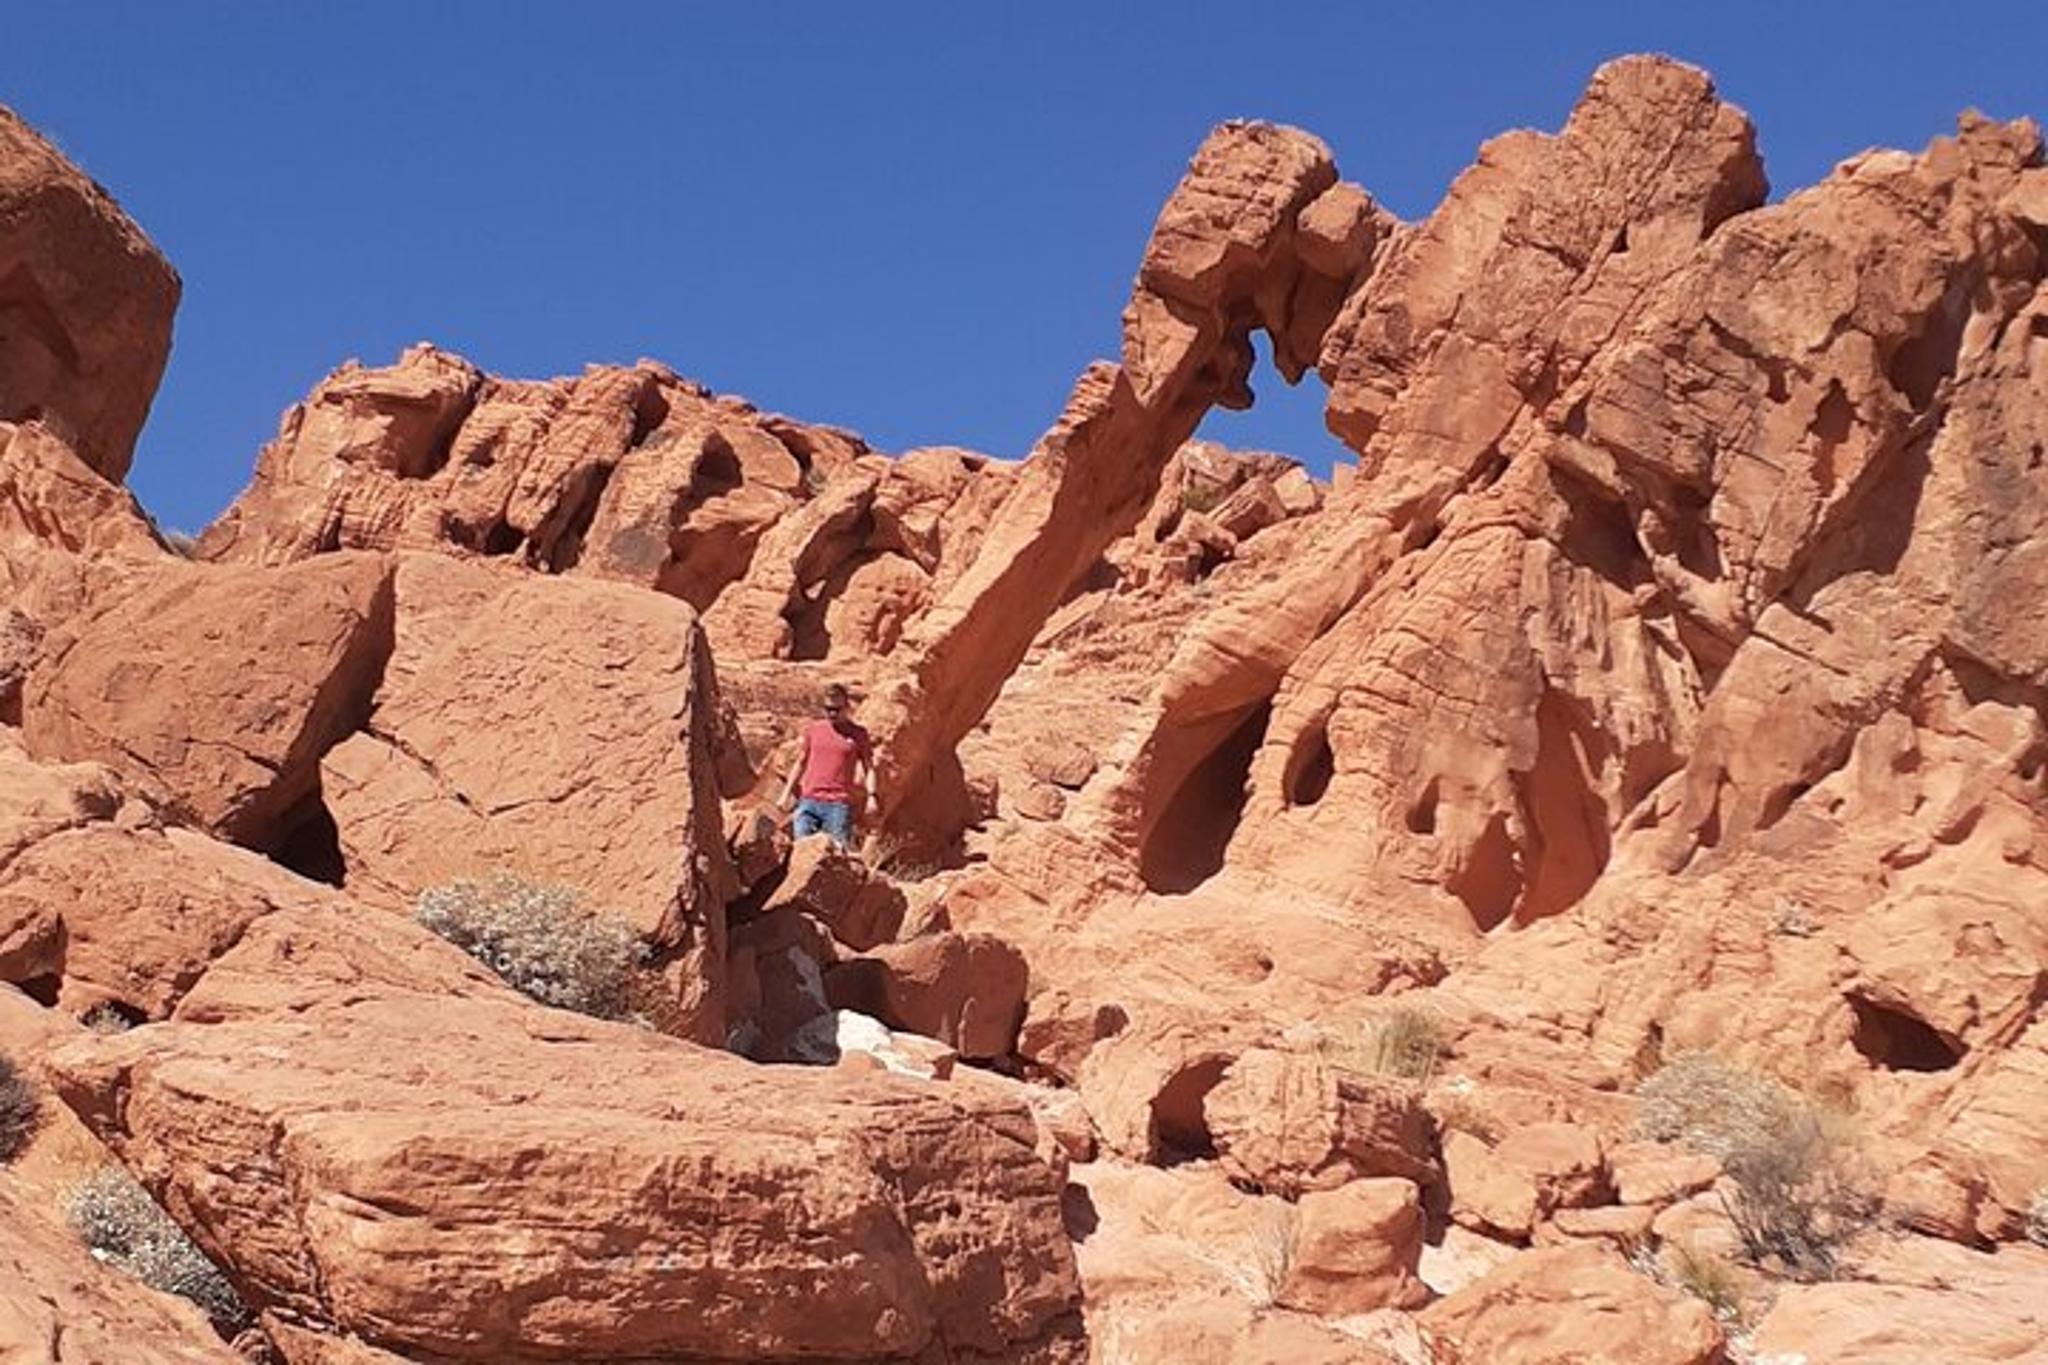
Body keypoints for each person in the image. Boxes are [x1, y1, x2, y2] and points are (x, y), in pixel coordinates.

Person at [778, 683, 876, 848]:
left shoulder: (858, 734)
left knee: (837, 855)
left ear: (847, 707)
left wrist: (872, 796)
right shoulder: (814, 730)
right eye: (828, 709)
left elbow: (869, 767)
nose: (832, 713)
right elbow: (801, 762)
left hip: (838, 806)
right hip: (808, 802)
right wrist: (785, 794)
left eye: (836, 709)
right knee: (801, 851)